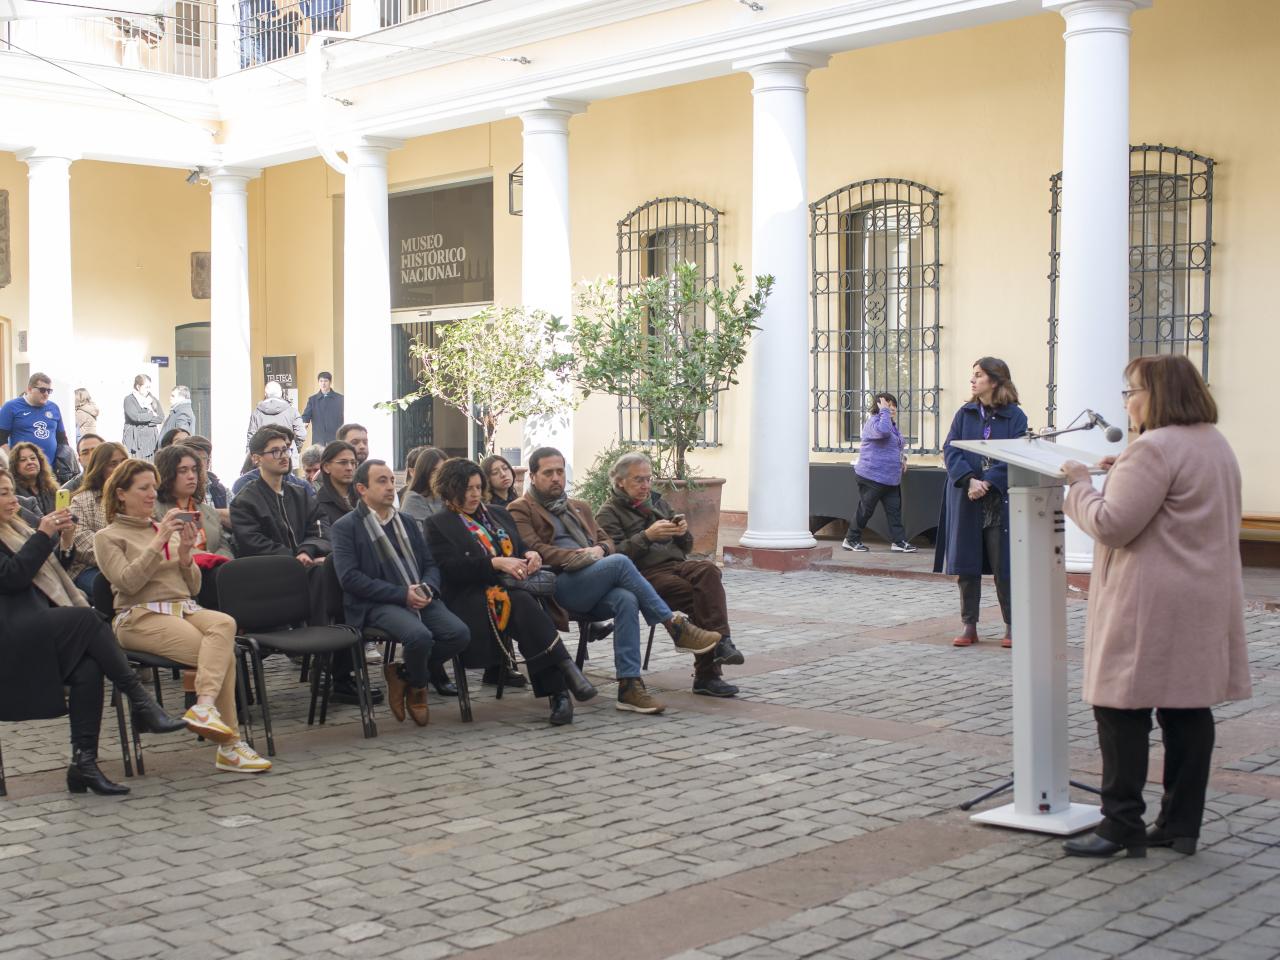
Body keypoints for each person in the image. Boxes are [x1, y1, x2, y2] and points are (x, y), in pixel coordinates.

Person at [1057, 355, 1250, 859]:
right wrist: (1120, 472)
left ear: (1157, 395)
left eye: (1132, 391)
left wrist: (1079, 484)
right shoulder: (1213, 442)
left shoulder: (1154, 448)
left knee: (1120, 706)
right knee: (1187, 708)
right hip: (1202, 595)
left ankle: (1121, 825)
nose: (1126, 402)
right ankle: (1179, 825)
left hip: (1150, 600)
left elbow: (1111, 525)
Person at [0, 465, 186, 796]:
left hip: (38, 623)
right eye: (3, 494)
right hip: (11, 633)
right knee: (87, 618)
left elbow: (46, 572)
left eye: (11, 491)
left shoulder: (17, 525)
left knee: (89, 669)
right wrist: (43, 534)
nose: (13, 499)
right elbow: (13, 577)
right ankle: (141, 702)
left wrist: (65, 541)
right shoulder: (23, 530)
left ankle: (83, 764)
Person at [510, 447, 723, 715]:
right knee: (621, 562)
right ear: (532, 476)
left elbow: (606, 541)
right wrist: (583, 555)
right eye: (548, 472)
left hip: (596, 579)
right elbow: (534, 547)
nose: (556, 478)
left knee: (627, 598)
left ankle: (629, 686)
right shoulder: (520, 508)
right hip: (561, 584)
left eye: (560, 471)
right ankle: (675, 626)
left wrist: (599, 551)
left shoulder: (579, 507)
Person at [96, 459, 270, 774]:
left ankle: (205, 709)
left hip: (182, 607)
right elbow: (128, 583)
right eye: (143, 488)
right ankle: (228, 744)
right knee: (223, 655)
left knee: (225, 623)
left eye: (153, 487)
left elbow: (192, 587)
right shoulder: (108, 536)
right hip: (139, 615)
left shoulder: (161, 527)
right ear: (121, 493)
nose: (152, 495)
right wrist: (160, 540)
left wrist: (186, 554)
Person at [426, 458, 597, 725]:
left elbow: (517, 548)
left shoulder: (497, 513)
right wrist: (494, 563)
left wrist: (530, 555)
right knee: (524, 605)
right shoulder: (438, 523)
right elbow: (450, 569)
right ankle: (563, 681)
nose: (473, 495)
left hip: (513, 589)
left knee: (523, 607)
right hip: (470, 595)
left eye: (477, 487)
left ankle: (562, 690)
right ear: (450, 489)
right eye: (467, 489)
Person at [331, 460, 471, 727]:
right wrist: (401, 594)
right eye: (381, 481)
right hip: (375, 603)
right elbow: (350, 579)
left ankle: (404, 673)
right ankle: (419, 688)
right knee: (419, 636)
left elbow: (430, 564)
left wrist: (427, 587)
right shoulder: (346, 527)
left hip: (417, 594)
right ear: (362, 488)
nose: (389, 487)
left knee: (459, 634)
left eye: (391, 480)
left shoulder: (405, 522)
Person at [596, 452, 745, 698]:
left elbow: (686, 548)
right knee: (698, 597)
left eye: (648, 479)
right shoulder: (608, 513)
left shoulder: (658, 503)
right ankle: (709, 673)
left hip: (676, 564)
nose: (645, 486)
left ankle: (722, 644)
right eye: (638, 480)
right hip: (643, 575)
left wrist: (682, 532)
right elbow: (614, 556)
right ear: (620, 481)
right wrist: (647, 536)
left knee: (708, 571)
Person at [933, 358, 1028, 649]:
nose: (973, 381)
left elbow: (1016, 453)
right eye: (972, 375)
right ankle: (969, 624)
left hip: (998, 501)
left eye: (979, 376)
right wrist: (969, 480)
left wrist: (988, 481)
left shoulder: (1015, 417)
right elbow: (951, 448)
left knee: (1004, 566)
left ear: (996, 381)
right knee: (967, 564)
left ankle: (1012, 626)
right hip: (967, 496)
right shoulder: (965, 413)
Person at [313, 440, 382, 667]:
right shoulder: (318, 502)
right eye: (343, 462)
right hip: (340, 568)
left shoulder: (363, 497)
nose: (350, 467)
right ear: (326, 467)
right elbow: (325, 538)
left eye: (353, 462)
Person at [843, 392, 915, 554]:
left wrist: (902, 459)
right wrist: (884, 412)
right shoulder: (874, 422)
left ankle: (898, 542)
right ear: (879, 407)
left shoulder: (891, 425)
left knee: (894, 511)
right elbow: (882, 432)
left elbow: (894, 446)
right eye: (888, 405)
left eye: (893, 405)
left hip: (890, 478)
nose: (892, 408)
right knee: (866, 510)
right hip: (871, 476)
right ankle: (851, 539)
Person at [67, 441, 129, 596]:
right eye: (113, 464)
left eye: (123, 462)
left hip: (130, 563)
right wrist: (121, 557)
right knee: (116, 587)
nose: (120, 468)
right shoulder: (82, 500)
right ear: (100, 468)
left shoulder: (135, 496)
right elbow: (81, 542)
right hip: (89, 568)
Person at [154, 445, 234, 561]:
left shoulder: (209, 511)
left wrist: (215, 560)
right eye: (183, 470)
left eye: (194, 470)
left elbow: (224, 547)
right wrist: (202, 558)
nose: (191, 476)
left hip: (213, 572)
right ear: (167, 474)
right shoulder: (154, 511)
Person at [0, 373, 71, 466]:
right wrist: (12, 464)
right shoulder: (11, 407)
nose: (46, 394)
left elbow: (62, 440)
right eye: (42, 390)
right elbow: (1, 439)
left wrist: (65, 462)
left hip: (50, 470)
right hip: (23, 470)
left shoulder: (54, 408)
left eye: (49, 391)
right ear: (29, 389)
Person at [230, 425, 314, 498]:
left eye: (285, 449)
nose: (284, 455)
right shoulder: (244, 485)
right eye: (275, 451)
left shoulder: (302, 487)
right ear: (257, 458)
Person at [246, 381, 305, 452]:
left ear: (265, 394)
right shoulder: (292, 411)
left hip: (265, 456)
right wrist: (295, 448)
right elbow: (301, 434)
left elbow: (251, 439)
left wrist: (251, 458)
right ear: (281, 393)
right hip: (287, 455)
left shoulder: (256, 413)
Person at [400, 446, 446, 531]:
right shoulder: (414, 499)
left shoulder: (447, 497)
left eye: (443, 471)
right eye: (434, 471)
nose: (440, 476)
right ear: (424, 473)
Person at [10, 441, 58, 517]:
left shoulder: (51, 488)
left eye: (33, 458)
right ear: (15, 466)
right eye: (23, 460)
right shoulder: (12, 492)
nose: (29, 462)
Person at [123, 374, 164, 460]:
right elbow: (135, 417)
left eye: (149, 387)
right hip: (135, 442)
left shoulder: (152, 399)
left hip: (151, 441)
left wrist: (145, 419)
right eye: (146, 387)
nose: (148, 390)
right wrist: (150, 415)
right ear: (138, 387)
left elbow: (160, 417)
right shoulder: (129, 399)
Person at [301, 372, 345, 446]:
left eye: (326, 381)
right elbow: (305, 417)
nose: (323, 383)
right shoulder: (312, 400)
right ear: (318, 382)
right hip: (319, 440)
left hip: (336, 439)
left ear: (330, 382)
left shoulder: (340, 399)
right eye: (321, 381)